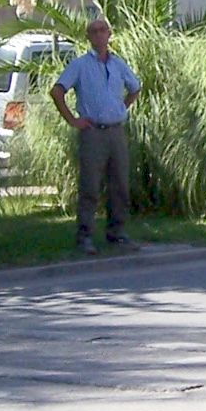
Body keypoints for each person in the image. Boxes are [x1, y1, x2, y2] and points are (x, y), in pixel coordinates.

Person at [50, 19, 142, 255]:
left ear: (109, 34)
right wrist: (73, 120)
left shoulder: (118, 64)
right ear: (88, 37)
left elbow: (135, 87)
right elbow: (57, 91)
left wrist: (120, 108)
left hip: (116, 131)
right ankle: (84, 236)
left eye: (103, 30)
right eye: (94, 32)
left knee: (120, 184)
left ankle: (117, 233)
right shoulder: (80, 65)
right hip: (93, 132)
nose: (99, 35)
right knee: (90, 185)